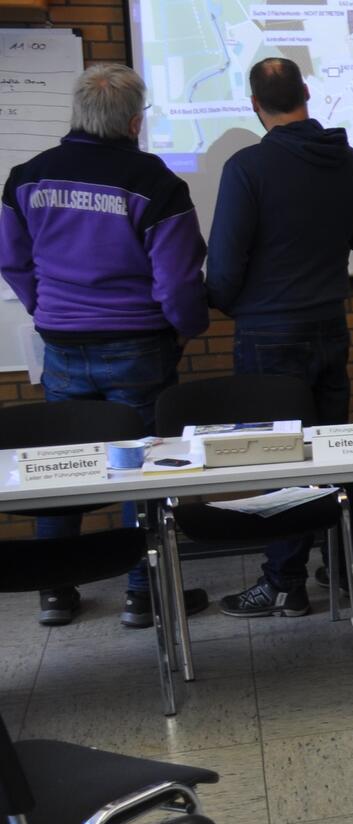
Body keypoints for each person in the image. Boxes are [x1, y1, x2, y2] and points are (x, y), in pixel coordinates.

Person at [0, 63, 210, 629]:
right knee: (139, 465)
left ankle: (52, 591)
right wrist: (188, 326)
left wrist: (47, 310)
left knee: (58, 466)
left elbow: (12, 260)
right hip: (139, 345)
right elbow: (178, 280)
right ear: (136, 122)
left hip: (62, 345)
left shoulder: (25, 178)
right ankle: (144, 595)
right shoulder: (156, 184)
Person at [206, 57, 353, 619]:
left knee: (278, 460)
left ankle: (284, 583)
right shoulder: (350, 162)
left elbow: (224, 270)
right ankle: (345, 566)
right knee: (334, 451)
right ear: (307, 94)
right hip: (330, 326)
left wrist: (228, 303)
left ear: (255, 106)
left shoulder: (247, 168)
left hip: (266, 333)